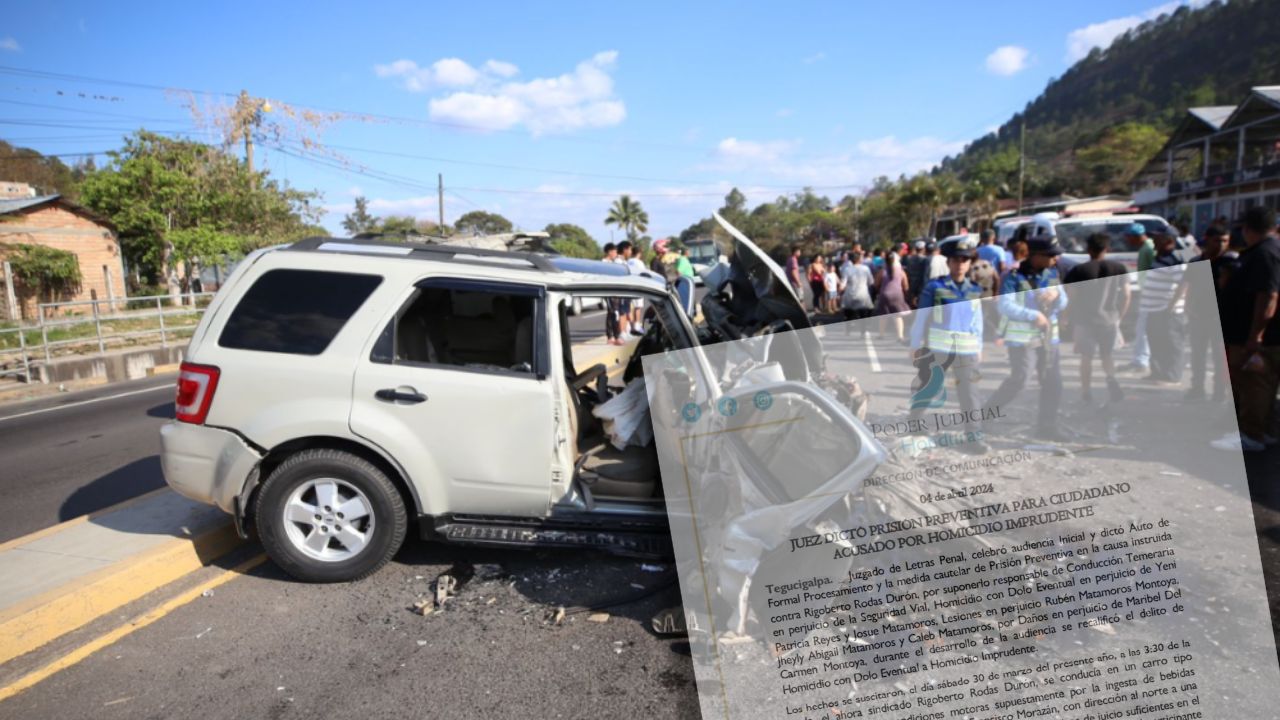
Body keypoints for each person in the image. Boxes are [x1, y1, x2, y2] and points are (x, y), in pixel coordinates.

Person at [986, 218, 1069, 441]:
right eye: (1051, 255)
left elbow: (1064, 302)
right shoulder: (1013, 277)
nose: (1055, 259)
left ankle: (1047, 425)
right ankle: (985, 415)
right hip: (1022, 339)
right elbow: (1005, 306)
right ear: (1036, 255)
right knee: (1020, 379)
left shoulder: (1052, 274)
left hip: (1049, 338)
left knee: (1053, 382)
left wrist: (1057, 296)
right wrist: (1033, 315)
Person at [908, 235, 988, 454]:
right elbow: (922, 317)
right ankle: (914, 423)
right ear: (949, 262)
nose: (960, 264)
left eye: (964, 260)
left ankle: (973, 436)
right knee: (929, 387)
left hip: (967, 350)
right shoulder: (935, 286)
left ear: (970, 262)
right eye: (955, 260)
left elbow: (977, 320)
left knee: (970, 393)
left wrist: (979, 345)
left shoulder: (974, 289)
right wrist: (915, 344)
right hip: (939, 348)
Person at [1212, 206, 1280, 452]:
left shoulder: (1265, 253)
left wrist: (1255, 336)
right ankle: (1265, 431)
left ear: (1248, 229)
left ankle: (1252, 435)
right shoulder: (1263, 251)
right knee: (1261, 386)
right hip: (1253, 334)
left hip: (1255, 337)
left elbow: (1268, 295)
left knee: (1254, 385)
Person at [1064, 232, 1130, 404]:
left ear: (1088, 249)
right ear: (1106, 249)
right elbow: (1127, 295)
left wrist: (1065, 317)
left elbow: (1071, 298)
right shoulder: (1119, 268)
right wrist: (1119, 318)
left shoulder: (1078, 271)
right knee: (1107, 355)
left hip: (1085, 321)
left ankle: (1086, 392)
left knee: (1086, 357)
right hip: (1109, 320)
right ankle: (1111, 380)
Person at [1185, 224, 1235, 402]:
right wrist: (1188, 308)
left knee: (1219, 358)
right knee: (1197, 355)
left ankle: (1219, 392)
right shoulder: (1196, 262)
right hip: (1199, 316)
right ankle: (1197, 388)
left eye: (1225, 241)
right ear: (1207, 239)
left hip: (1221, 318)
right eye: (1217, 241)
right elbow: (1189, 288)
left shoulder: (1231, 262)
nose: (1221, 245)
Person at [1141, 229, 1188, 383]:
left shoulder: (1175, 258)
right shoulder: (1160, 256)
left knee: (1172, 343)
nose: (1153, 240)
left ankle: (1172, 374)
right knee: (1156, 341)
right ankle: (1158, 372)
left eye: (1157, 238)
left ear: (1168, 240)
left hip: (1168, 311)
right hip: (1154, 309)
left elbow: (1183, 284)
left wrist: (1171, 306)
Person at [1123, 223, 1156, 372]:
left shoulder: (1148, 248)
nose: (1127, 241)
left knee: (1143, 327)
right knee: (1142, 326)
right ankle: (1140, 358)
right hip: (1147, 292)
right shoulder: (1145, 248)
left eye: (1128, 238)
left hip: (1151, 294)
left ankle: (1142, 360)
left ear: (1135, 237)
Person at [875, 250, 911, 343]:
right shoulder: (901, 271)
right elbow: (906, 285)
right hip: (897, 294)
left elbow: (876, 283)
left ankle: (881, 335)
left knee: (883, 315)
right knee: (898, 316)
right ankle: (900, 336)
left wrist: (879, 289)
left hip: (884, 294)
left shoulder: (882, 271)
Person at [839, 249, 874, 334]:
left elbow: (843, 284)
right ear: (859, 259)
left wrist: (839, 292)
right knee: (864, 314)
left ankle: (848, 330)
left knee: (848, 313)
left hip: (850, 294)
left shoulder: (847, 269)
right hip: (863, 294)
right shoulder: (866, 268)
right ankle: (863, 332)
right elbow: (871, 282)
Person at [601, 242, 624, 345]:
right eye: (614, 251)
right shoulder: (604, 263)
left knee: (615, 312)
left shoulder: (614, 262)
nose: (616, 253)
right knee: (613, 312)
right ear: (609, 252)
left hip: (616, 290)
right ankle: (612, 336)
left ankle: (615, 335)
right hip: (609, 290)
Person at [905, 240, 930, 307]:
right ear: (923, 249)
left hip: (911, 285)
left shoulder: (910, 258)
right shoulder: (925, 259)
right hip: (920, 286)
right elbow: (925, 273)